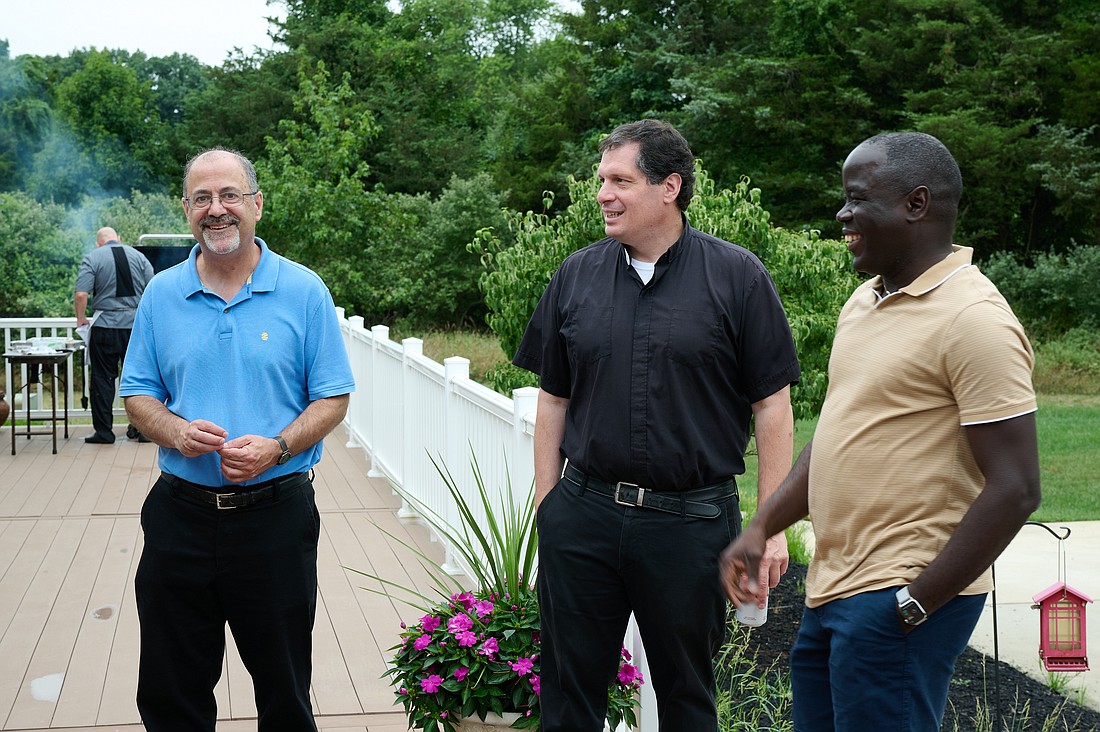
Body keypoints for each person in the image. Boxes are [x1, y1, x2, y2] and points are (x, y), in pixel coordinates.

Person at [720, 132, 1042, 731]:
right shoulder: (864, 302)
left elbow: (1017, 486)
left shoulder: (974, 319)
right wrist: (764, 525)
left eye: (857, 198)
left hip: (900, 594)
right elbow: (840, 437)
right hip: (835, 589)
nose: (842, 213)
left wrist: (916, 603)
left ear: (916, 204)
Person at [513, 119, 801, 731]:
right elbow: (552, 399)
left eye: (620, 180)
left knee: (687, 699)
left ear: (669, 187)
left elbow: (773, 406)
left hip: (691, 527)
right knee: (567, 700)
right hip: (584, 519)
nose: (603, 195)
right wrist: (550, 507)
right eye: (601, 181)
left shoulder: (738, 277)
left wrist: (770, 526)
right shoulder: (576, 276)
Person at [119, 147, 355, 731]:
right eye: (202, 198)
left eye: (229, 196)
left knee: (283, 691)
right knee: (172, 692)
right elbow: (138, 396)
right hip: (180, 517)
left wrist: (277, 446)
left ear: (256, 204)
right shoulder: (162, 295)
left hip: (276, 517)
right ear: (186, 209)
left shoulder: (304, 291)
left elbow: (334, 397)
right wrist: (176, 430)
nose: (216, 209)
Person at [74, 226, 155, 444]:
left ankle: (104, 432)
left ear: (99, 243)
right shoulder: (139, 256)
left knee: (102, 379)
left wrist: (81, 318)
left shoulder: (93, 257)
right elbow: (153, 290)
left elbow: (82, 293)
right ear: (118, 239)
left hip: (105, 326)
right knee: (142, 379)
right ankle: (145, 431)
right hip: (136, 326)